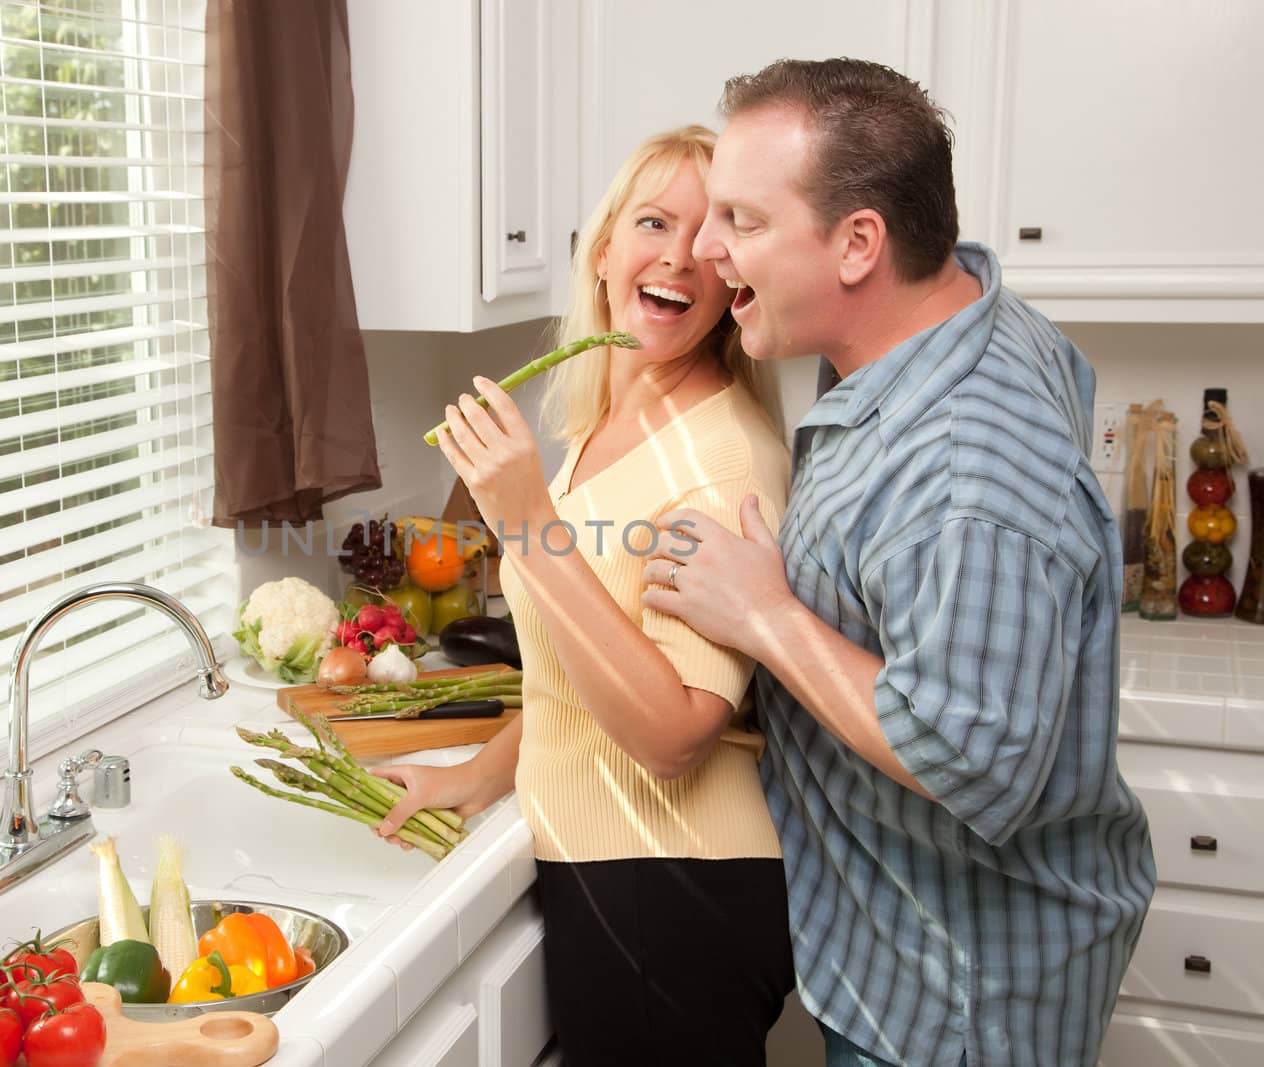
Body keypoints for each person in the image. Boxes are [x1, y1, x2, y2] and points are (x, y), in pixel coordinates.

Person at [640, 59, 1156, 1067]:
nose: (706, 249)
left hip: (955, 999)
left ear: (859, 244)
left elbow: (968, 758)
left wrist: (765, 615)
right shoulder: (944, 310)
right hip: (891, 943)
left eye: (740, 220)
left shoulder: (970, 473)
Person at [373, 126, 795, 1065]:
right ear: (604, 250)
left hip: (674, 885)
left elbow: (678, 731)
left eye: (711, 239)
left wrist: (526, 522)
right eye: (653, 222)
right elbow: (587, 661)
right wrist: (475, 777)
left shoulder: (722, 460)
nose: (679, 256)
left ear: (733, 282)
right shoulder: (611, 422)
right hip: (629, 872)